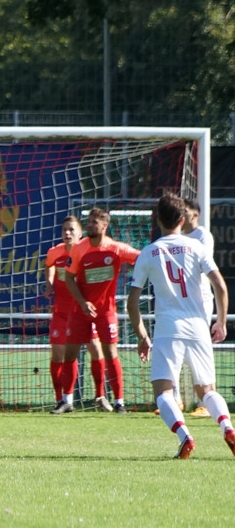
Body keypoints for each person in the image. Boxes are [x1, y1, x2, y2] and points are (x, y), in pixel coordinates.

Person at [126, 192, 235, 459]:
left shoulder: (149, 252)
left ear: (158, 220)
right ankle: (228, 428)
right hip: (199, 326)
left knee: (163, 392)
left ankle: (185, 436)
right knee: (207, 390)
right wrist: (220, 322)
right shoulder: (197, 247)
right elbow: (220, 286)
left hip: (168, 328)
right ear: (183, 218)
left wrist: (142, 336)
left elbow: (132, 302)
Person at [64, 207, 140, 414]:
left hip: (106, 311)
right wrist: (82, 302)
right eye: (88, 222)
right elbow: (68, 277)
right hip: (81, 309)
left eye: (94, 223)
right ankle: (66, 401)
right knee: (70, 352)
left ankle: (119, 402)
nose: (90, 225)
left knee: (110, 353)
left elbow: (140, 258)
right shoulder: (79, 248)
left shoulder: (115, 249)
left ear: (104, 226)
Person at [45, 215, 112, 414]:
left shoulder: (85, 252)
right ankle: (62, 400)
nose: (67, 233)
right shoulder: (54, 252)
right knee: (59, 355)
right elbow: (48, 265)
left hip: (83, 312)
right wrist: (49, 283)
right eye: (64, 229)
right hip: (62, 313)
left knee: (96, 351)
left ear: (80, 233)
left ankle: (100, 396)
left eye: (72, 230)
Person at [179, 197, 214, 418]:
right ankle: (176, 399)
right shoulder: (179, 237)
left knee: (200, 349)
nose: (182, 214)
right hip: (182, 301)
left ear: (195, 214)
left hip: (201, 300)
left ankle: (206, 400)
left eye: (185, 210)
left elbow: (202, 266)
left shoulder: (203, 236)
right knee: (178, 349)